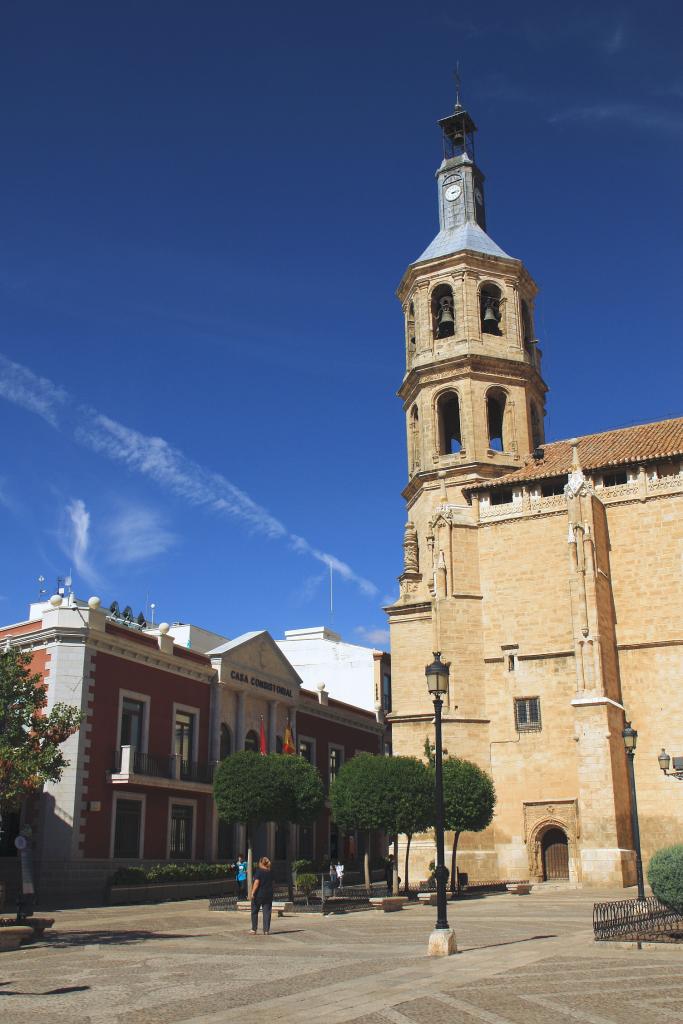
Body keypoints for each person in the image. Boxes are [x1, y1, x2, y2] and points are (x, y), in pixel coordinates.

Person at [250, 856, 274, 935]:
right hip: (268, 894)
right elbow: (273, 883)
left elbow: (256, 883)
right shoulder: (270, 872)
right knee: (267, 912)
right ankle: (266, 930)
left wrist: (252, 892)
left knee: (254, 911)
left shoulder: (259, 871)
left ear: (260, 863)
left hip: (259, 894)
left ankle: (254, 929)